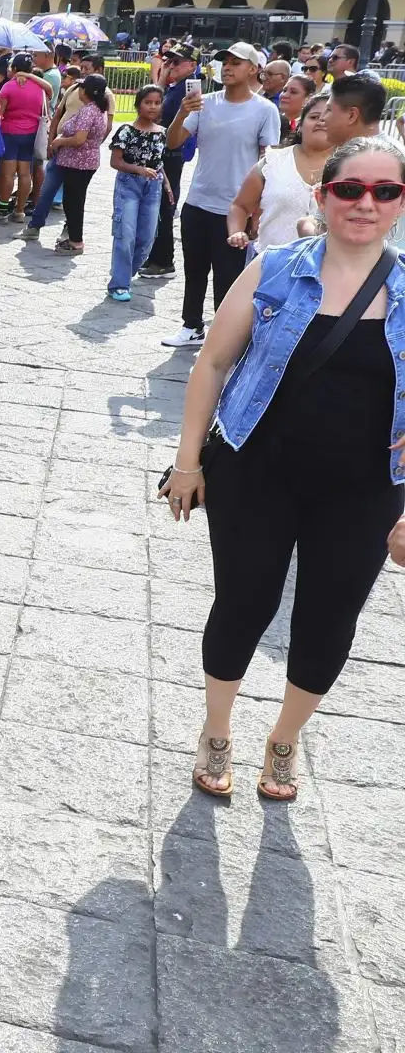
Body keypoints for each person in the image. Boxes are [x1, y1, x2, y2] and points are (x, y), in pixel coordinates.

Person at [160, 136, 405, 802]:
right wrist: (187, 463)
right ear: (323, 195)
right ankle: (216, 730)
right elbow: (212, 363)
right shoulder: (275, 268)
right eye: (350, 188)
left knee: (329, 618)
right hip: (255, 472)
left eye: (385, 191)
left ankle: (285, 739)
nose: (366, 204)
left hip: (363, 493)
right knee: (243, 603)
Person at [162, 42, 282, 349]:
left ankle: (223, 335)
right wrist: (181, 113)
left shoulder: (265, 110)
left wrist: (256, 211)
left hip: (235, 210)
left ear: (254, 69)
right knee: (194, 270)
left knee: (228, 277)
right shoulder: (204, 103)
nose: (227, 67)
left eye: (236, 62)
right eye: (224, 62)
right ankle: (191, 326)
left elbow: (269, 162)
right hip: (198, 200)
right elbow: (174, 143)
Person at [227, 91, 334, 265]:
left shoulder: (349, 167)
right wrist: (236, 231)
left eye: (328, 117)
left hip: (325, 269)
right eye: (314, 117)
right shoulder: (272, 162)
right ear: (300, 125)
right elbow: (240, 205)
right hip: (270, 264)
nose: (321, 121)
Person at [25, 72, 110, 252]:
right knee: (73, 201)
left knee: (73, 202)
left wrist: (60, 141)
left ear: (85, 91)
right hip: (80, 161)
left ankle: (75, 240)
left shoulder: (89, 110)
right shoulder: (98, 108)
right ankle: (73, 238)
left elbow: (79, 138)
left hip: (78, 163)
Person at [142, 44, 201, 279]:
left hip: (172, 154)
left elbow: (152, 111)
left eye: (177, 62)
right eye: (169, 61)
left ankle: (163, 260)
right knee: (160, 205)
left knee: (164, 206)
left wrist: (163, 79)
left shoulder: (186, 91)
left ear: (192, 65)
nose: (171, 66)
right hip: (167, 153)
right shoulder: (177, 88)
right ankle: (158, 257)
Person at [106, 85, 169, 301]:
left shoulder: (162, 133)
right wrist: (138, 170)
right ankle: (119, 284)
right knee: (126, 235)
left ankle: (124, 272)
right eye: (147, 102)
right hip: (129, 184)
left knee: (147, 237)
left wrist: (167, 186)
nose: (152, 107)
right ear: (138, 104)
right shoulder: (126, 131)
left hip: (153, 187)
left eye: (156, 102)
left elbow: (158, 163)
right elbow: (115, 162)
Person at [0, 53, 46, 224]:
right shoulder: (40, 88)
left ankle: (2, 210)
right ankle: (20, 211)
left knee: (7, 173)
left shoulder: (8, 87)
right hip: (31, 134)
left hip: (9, 133)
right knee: (25, 173)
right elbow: (50, 92)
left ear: (14, 69)